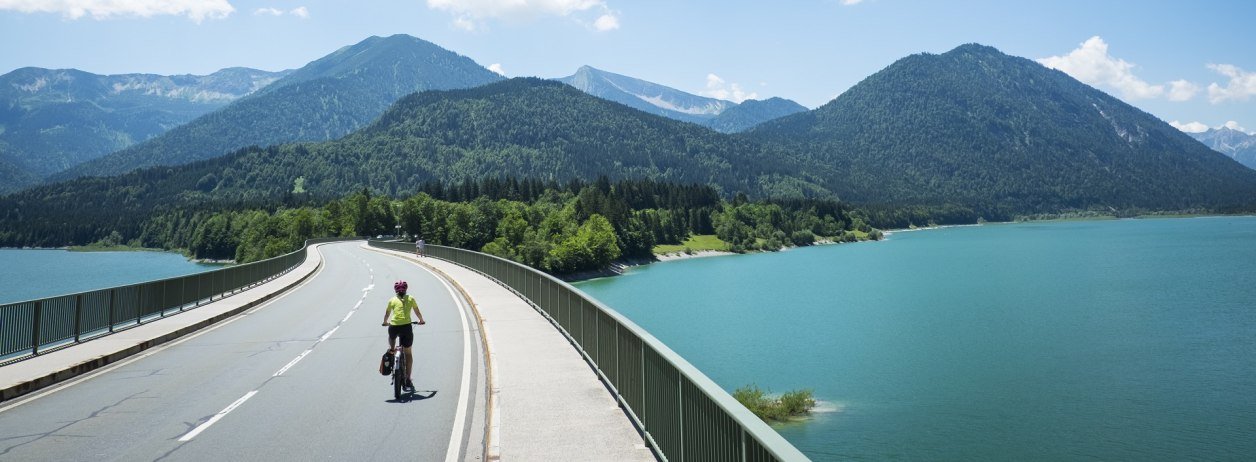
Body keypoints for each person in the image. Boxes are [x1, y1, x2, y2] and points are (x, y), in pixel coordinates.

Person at [382, 280, 425, 391]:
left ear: (395, 290)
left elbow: (387, 314)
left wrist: (385, 322)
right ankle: (408, 378)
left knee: (392, 338)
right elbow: (417, 311)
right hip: (406, 327)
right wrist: (421, 320)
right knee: (408, 353)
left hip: (394, 327)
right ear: (406, 289)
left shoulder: (392, 300)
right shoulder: (410, 298)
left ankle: (392, 349)